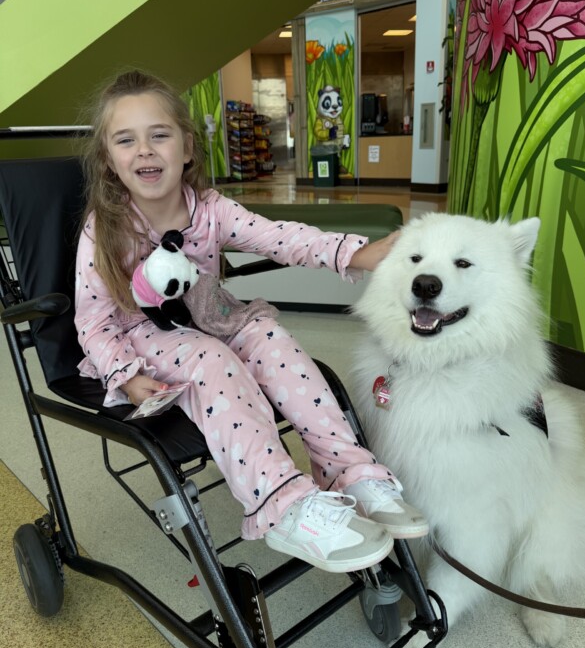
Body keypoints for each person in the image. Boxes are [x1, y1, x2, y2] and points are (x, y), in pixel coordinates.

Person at [75, 69, 428, 575]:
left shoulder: (211, 210)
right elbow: (92, 320)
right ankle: (284, 505)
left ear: (188, 147)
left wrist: (358, 253)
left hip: (210, 313)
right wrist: (126, 376)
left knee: (268, 334)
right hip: (144, 337)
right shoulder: (103, 228)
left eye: (160, 135)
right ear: (110, 160)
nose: (145, 151)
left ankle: (349, 472)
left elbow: (281, 236)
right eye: (126, 140)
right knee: (212, 358)